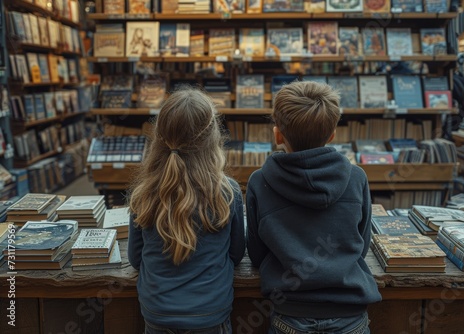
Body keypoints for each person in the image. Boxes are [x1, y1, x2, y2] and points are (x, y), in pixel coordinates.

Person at [246, 81, 382, 334]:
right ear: (332, 135)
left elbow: (256, 253)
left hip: (290, 312)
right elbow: (361, 247)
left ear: (277, 135)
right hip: (350, 315)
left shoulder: (259, 181)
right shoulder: (356, 178)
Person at [128, 87, 246, 334]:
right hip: (209, 314)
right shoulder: (228, 192)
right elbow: (236, 255)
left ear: (159, 135)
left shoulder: (144, 192)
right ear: (212, 137)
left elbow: (135, 258)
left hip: (157, 313)